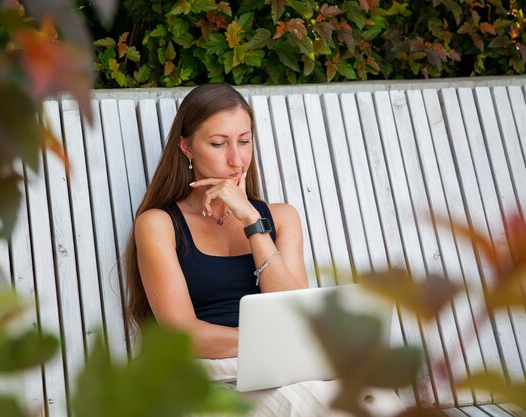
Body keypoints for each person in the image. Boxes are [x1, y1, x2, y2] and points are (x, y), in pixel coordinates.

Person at [124, 84, 404, 417]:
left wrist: (252, 222)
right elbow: (183, 335)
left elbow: (294, 309)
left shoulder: (280, 218)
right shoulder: (158, 224)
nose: (236, 159)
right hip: (204, 376)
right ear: (186, 147)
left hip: (281, 368)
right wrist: (268, 342)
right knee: (310, 402)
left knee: (373, 397)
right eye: (218, 144)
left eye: (244, 141)